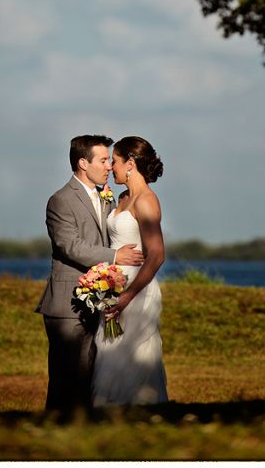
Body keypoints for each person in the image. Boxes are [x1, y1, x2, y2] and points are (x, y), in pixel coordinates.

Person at [36, 134, 144, 413]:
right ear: (83, 163)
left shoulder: (106, 197)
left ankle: (82, 432)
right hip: (66, 303)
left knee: (88, 378)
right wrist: (115, 256)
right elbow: (69, 245)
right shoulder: (60, 200)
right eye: (104, 160)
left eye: (110, 160)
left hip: (99, 300)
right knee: (64, 380)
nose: (109, 165)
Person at [91, 135, 168, 407]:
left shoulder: (146, 201)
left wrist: (128, 295)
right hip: (112, 285)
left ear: (130, 163)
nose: (111, 167)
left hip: (136, 289)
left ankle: (139, 408)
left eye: (114, 161)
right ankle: (106, 408)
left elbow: (157, 254)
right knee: (109, 350)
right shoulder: (122, 198)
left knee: (132, 354)